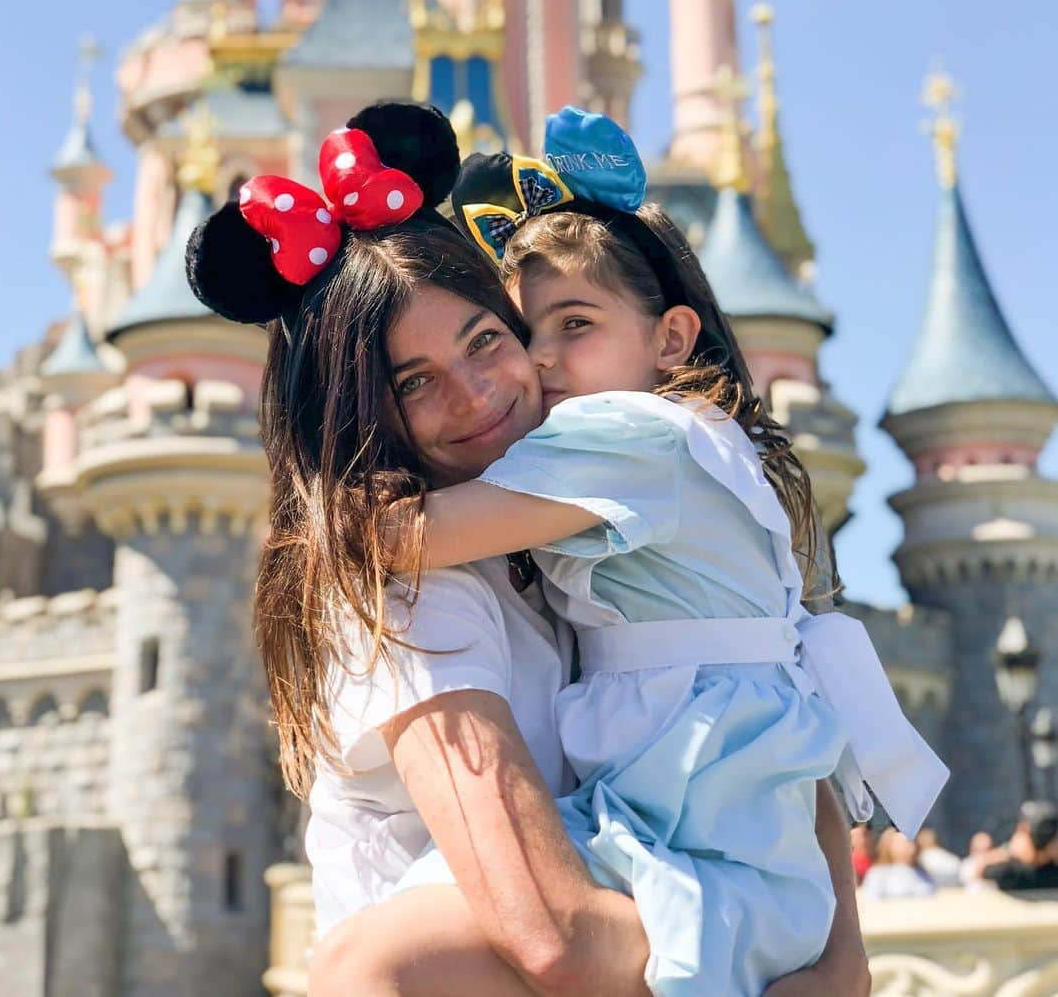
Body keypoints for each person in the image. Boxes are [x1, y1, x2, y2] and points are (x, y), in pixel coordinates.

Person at [186, 102, 872, 995]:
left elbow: (769, 675)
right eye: (416, 383)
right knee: (371, 962)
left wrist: (840, 955)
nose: (481, 395)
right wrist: (785, 960)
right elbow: (553, 937)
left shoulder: (565, 542)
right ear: (362, 415)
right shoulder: (407, 592)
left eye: (488, 341)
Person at [860, 829, 935, 899]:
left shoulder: (921, 872)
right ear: (889, 845)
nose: (911, 848)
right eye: (903, 844)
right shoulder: (878, 874)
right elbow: (871, 900)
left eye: (912, 843)